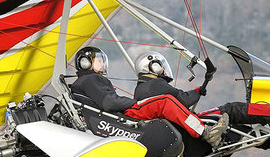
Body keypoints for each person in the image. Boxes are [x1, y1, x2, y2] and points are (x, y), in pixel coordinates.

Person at [70, 46, 228, 147]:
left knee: (165, 104)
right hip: (119, 116)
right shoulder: (91, 79)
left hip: (111, 118)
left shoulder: (84, 82)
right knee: (165, 102)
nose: (103, 65)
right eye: (99, 61)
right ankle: (206, 132)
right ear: (85, 62)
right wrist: (133, 103)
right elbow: (109, 102)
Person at [134, 51, 270, 129]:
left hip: (179, 126)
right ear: (152, 66)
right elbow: (183, 100)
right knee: (231, 109)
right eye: (160, 65)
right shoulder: (155, 85)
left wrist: (200, 88)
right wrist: (199, 89)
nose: (162, 69)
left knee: (233, 126)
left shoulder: (141, 88)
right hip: (190, 126)